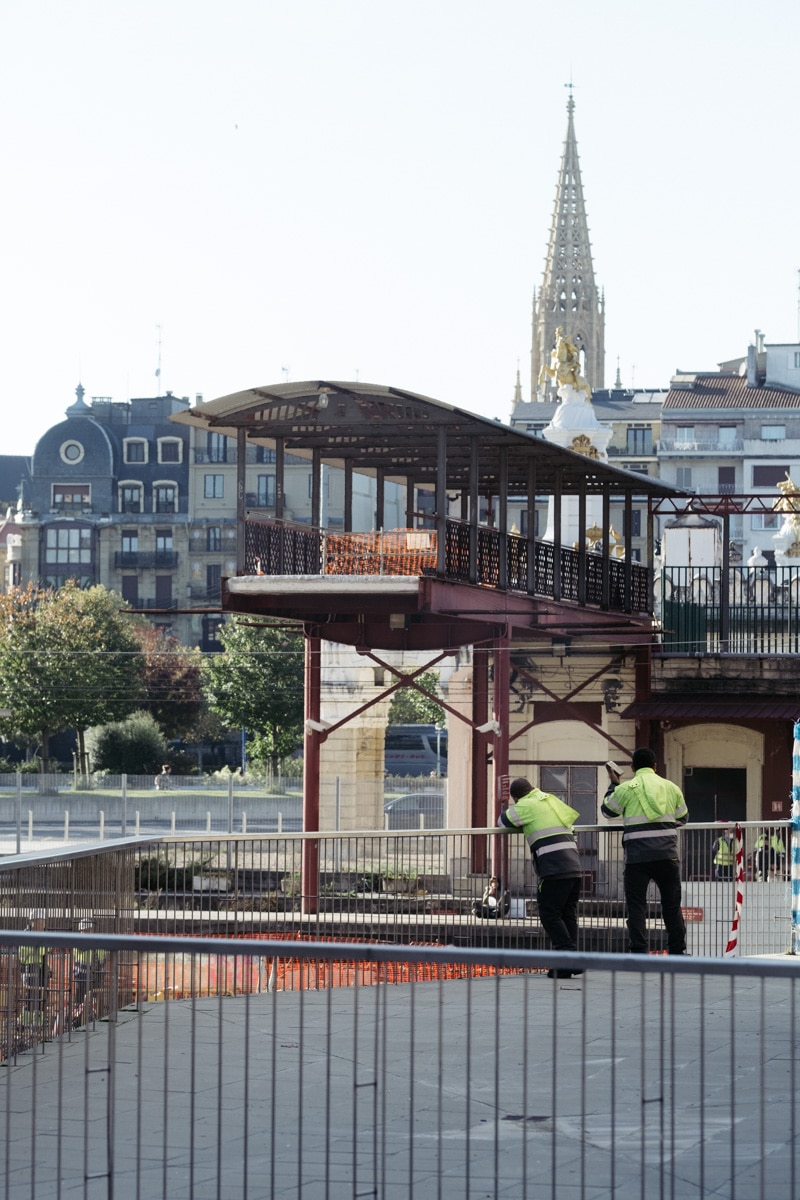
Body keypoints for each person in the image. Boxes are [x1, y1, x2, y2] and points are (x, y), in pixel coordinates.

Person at [601, 748, 689, 955]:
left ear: (632, 767)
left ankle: (639, 952)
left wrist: (614, 784)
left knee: (637, 907)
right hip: (667, 855)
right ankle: (677, 951)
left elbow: (607, 811)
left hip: (637, 859)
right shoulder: (671, 787)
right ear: (655, 766)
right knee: (672, 906)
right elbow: (683, 817)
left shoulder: (627, 789)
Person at [497, 777, 584, 978]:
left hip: (554, 868)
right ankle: (564, 966)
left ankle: (571, 958)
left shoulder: (526, 805)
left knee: (549, 913)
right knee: (567, 913)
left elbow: (502, 822)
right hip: (574, 865)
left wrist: (508, 807)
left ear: (516, 798)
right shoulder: (550, 799)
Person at [72, 917, 108, 1027]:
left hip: (96, 978)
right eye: (85, 930)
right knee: (80, 1002)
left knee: (95, 1002)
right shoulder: (78, 943)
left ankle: (94, 1020)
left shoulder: (99, 943)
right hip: (82, 978)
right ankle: (77, 1022)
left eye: (89, 930)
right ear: (81, 931)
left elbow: (103, 959)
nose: (88, 932)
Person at [18, 911, 50, 1031]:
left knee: (42, 995)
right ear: (33, 923)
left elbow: (45, 952)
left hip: (40, 968)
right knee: (30, 996)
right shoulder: (26, 936)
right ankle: (24, 1023)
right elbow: (40, 951)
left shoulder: (43, 935)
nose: (42, 925)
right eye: (39, 922)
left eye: (43, 922)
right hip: (30, 968)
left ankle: (38, 1023)